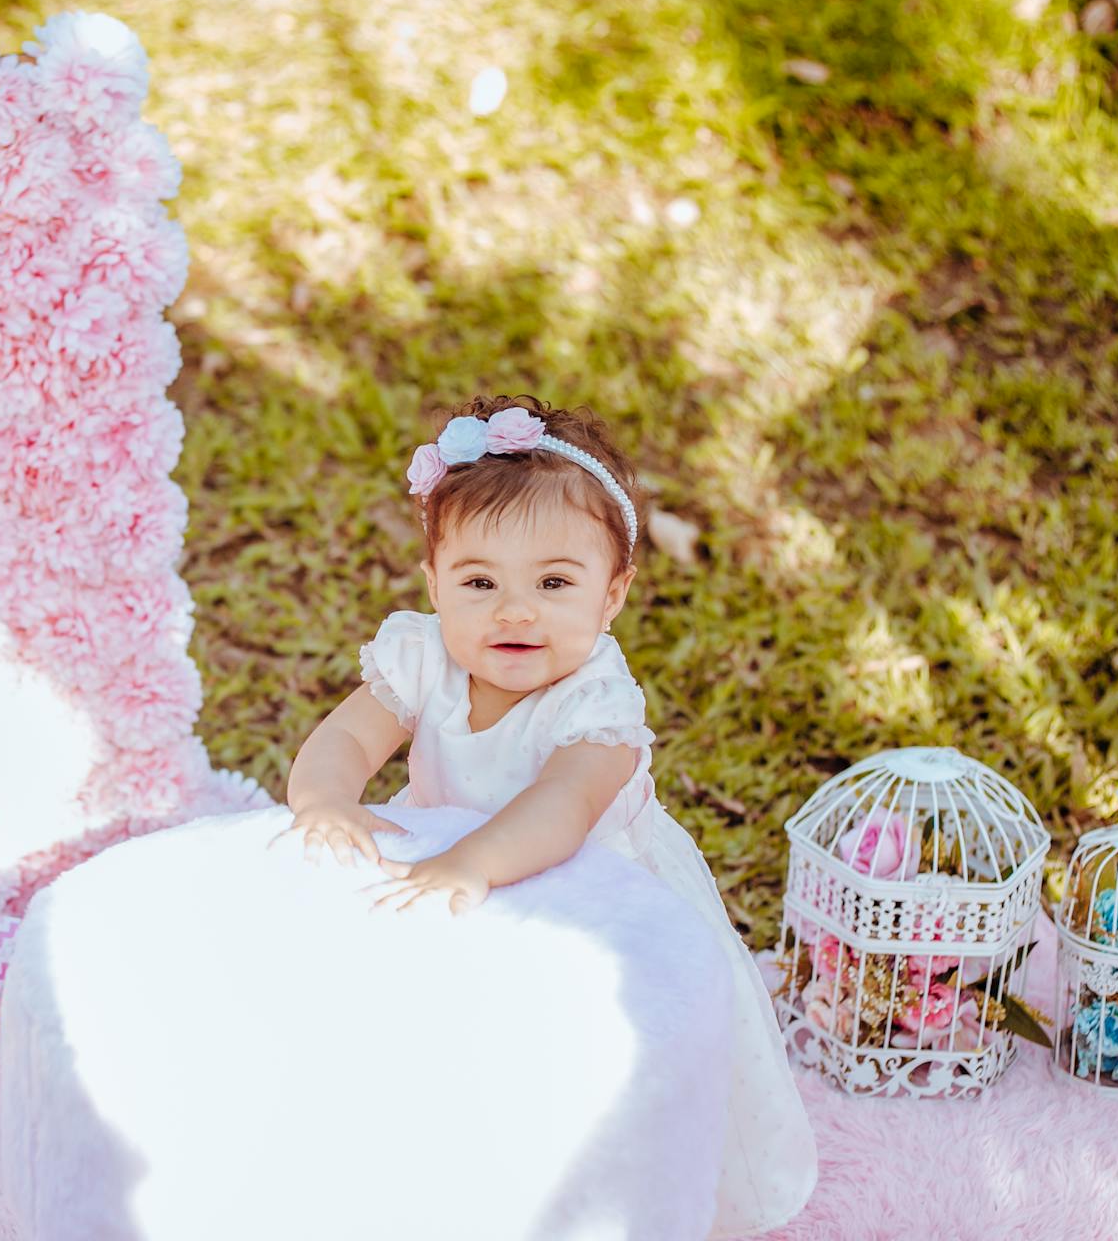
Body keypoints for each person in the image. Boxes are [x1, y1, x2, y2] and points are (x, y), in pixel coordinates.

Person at [277, 394, 819, 1236]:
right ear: (434, 583)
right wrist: (323, 800)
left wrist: (466, 864)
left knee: (579, 1075)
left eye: (555, 583)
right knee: (422, 1046)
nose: (514, 610)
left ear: (614, 593)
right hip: (450, 874)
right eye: (479, 582)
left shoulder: (596, 704)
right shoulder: (425, 658)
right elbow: (346, 737)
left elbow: (562, 810)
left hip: (588, 906)